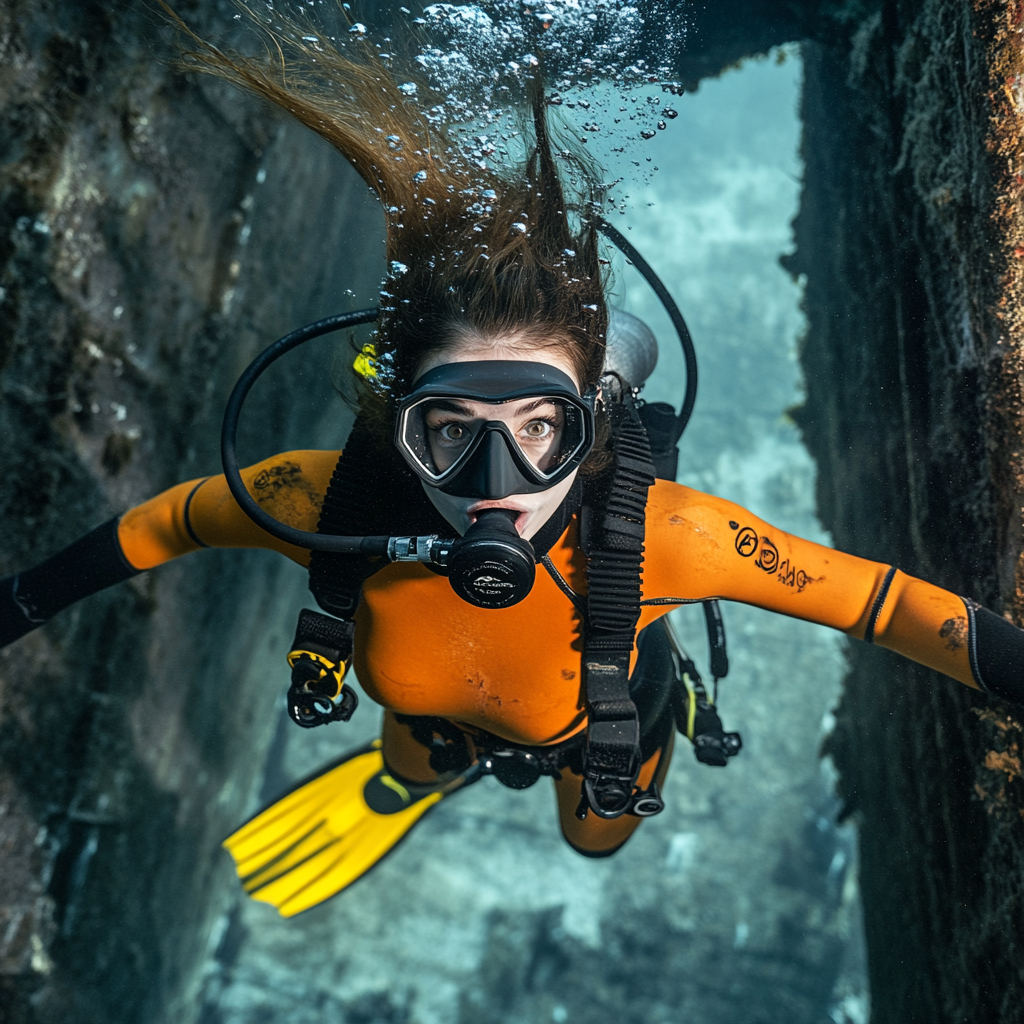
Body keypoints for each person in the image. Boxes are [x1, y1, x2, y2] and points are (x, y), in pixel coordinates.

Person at [2, 12, 1022, 917]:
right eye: (452, 430)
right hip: (425, 715)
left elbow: (882, 606)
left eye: (541, 429)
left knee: (594, 839)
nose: (501, 480)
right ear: (400, 419)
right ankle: (405, 785)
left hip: (602, 726)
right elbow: (171, 521)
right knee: (409, 756)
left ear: (591, 424)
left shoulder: (669, 539)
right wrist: (18, 605)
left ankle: (656, 712)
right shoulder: (329, 502)